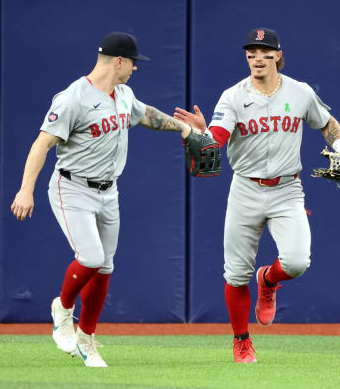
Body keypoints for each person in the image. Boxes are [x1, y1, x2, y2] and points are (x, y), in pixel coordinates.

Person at [11, 32, 201, 368]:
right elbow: (41, 144)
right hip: (72, 187)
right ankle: (64, 309)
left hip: (108, 191)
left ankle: (87, 339)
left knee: (105, 266)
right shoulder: (74, 98)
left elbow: (146, 116)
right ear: (118, 61)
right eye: (132, 63)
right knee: (91, 257)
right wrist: (25, 190)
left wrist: (184, 130)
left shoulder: (123, 94)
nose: (134, 69)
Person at [174, 28, 340, 363]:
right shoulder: (232, 96)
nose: (257, 57)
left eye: (264, 51)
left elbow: (328, 124)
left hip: (288, 188)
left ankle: (268, 280)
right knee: (235, 273)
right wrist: (202, 133)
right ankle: (242, 340)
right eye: (251, 52)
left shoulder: (300, 92)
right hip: (245, 188)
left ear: (277, 56)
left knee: (298, 261)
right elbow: (217, 137)